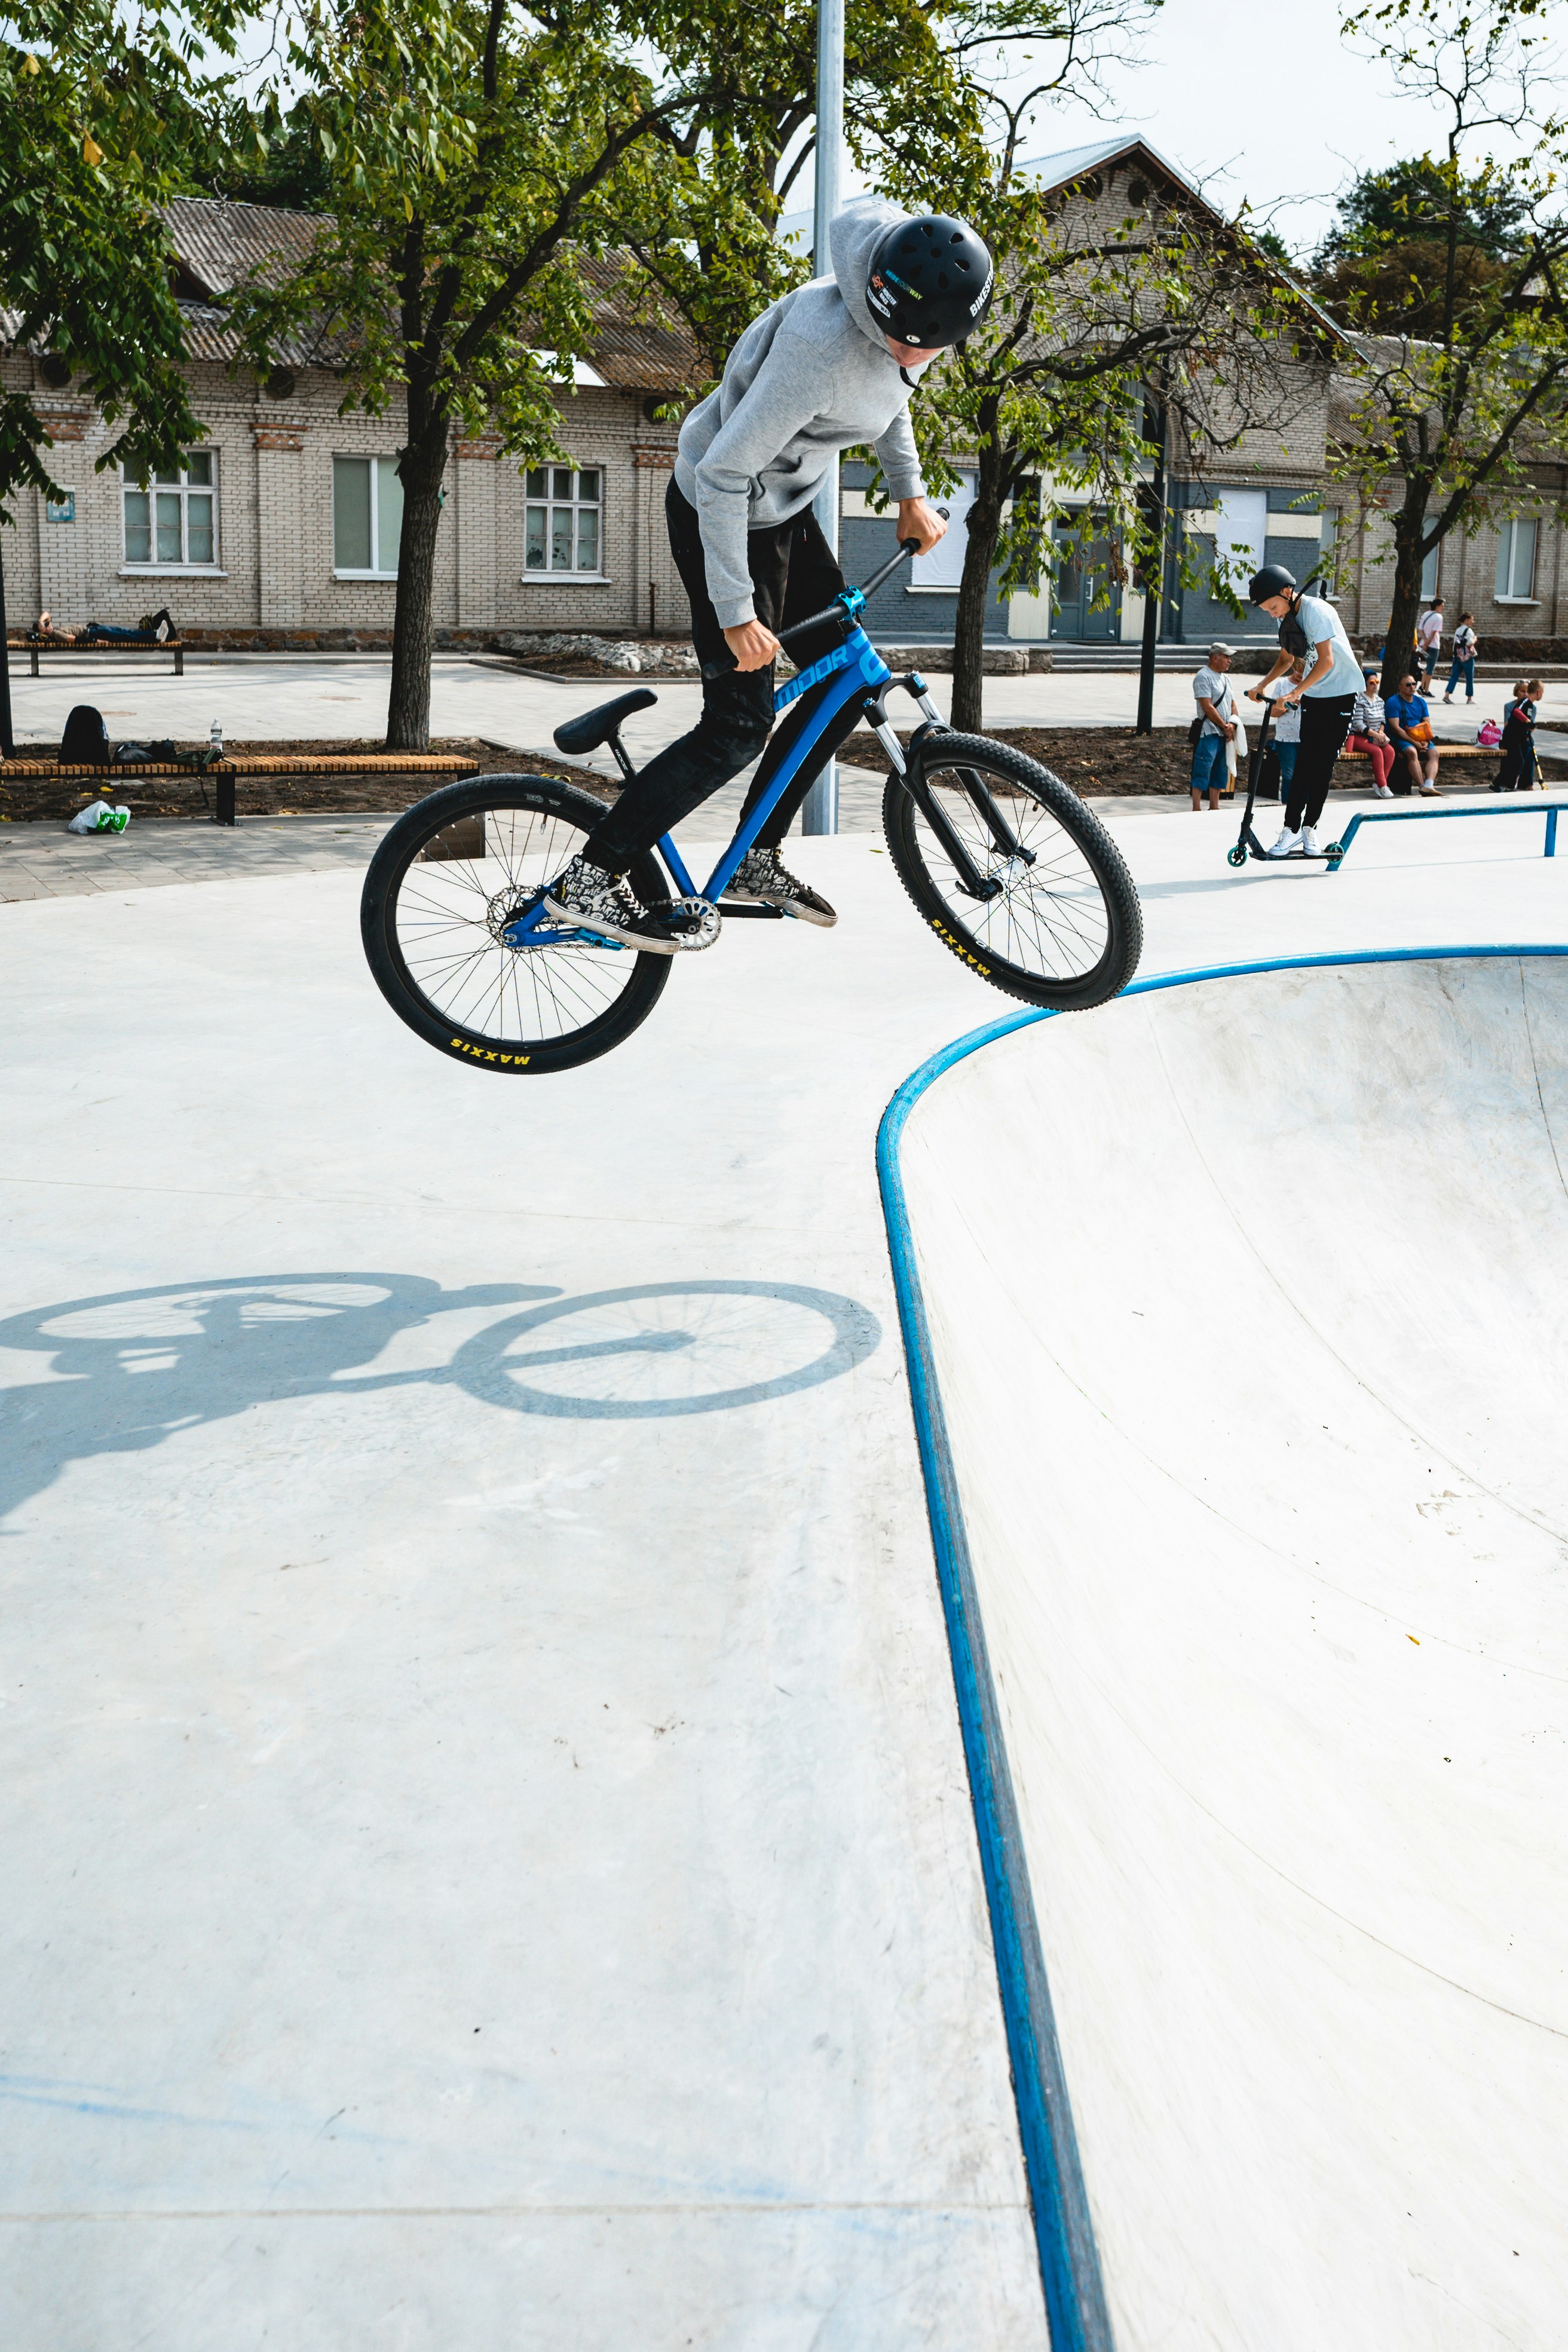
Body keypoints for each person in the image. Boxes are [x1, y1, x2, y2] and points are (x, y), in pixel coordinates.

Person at [541, 201, 993, 951]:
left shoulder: (902, 304)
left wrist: (909, 493)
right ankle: (589, 877)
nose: (921, 362)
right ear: (886, 315)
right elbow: (721, 474)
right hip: (719, 509)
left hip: (782, 511)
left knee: (843, 682)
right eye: (913, 347)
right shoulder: (820, 350)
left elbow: (890, 398)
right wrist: (735, 611)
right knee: (737, 727)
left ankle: (756, 856)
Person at [1244, 563, 1365, 856]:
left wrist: (1296, 692)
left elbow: (1326, 661)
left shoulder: (1317, 612)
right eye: (1268, 611)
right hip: (1316, 693)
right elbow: (1287, 658)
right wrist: (1263, 685)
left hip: (1341, 693)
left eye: (1273, 607)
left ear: (1287, 592)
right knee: (1303, 763)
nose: (1273, 614)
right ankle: (1290, 830)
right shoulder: (1285, 616)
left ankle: (1310, 830)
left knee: (1322, 766)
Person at [1190, 641, 1236, 810]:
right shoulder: (1203, 676)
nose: (1230, 661)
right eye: (1227, 657)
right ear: (1216, 657)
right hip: (1209, 731)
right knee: (1203, 767)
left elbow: (1232, 704)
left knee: (1220, 769)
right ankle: (1196, 806)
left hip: (1224, 733)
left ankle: (1214, 806)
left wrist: (1233, 724)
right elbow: (1207, 706)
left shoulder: (1227, 679)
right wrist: (1225, 725)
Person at [1383, 671, 1441, 794]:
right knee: (1412, 752)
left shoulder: (1421, 702)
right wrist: (1415, 743)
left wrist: (1425, 741)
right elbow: (1396, 729)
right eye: (1408, 685)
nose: (1412, 687)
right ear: (1400, 687)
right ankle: (1422, 786)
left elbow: (1427, 724)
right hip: (1402, 738)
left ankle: (1429, 784)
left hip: (1421, 738)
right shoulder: (1393, 702)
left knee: (1434, 754)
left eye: (1414, 684)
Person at [1260, 657, 1305, 801]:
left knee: (1306, 774)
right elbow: (1272, 712)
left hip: (1306, 736)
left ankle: (1304, 806)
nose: (1301, 676)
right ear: (1294, 668)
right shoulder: (1283, 684)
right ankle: (1287, 805)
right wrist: (1288, 703)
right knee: (1289, 775)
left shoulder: (1311, 684)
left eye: (1305, 673)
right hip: (1286, 737)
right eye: (1299, 671)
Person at [1348, 666, 1396, 795]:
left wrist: (1381, 733)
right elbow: (1358, 724)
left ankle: (1380, 783)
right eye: (1371, 683)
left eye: (1377, 682)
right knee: (1377, 752)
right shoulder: (1360, 700)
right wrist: (1374, 734)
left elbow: (1383, 720)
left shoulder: (1380, 701)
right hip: (1360, 736)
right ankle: (1383, 785)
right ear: (1365, 684)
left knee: (1390, 751)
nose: (1375, 685)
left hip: (1376, 736)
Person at [1493, 678, 1543, 791]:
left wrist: (1530, 727)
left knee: (1519, 760)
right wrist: (1527, 722)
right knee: (1518, 762)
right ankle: (1509, 786)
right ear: (1538, 692)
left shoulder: (1531, 705)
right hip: (1512, 737)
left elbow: (1527, 724)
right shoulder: (1526, 702)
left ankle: (1500, 784)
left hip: (1519, 738)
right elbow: (1517, 712)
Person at [1442, 612, 1478, 704]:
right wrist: (1475, 640)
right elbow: (1469, 643)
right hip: (1467, 658)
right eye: (1472, 619)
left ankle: (1447, 695)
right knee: (1469, 678)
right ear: (1467, 620)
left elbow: (1456, 643)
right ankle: (1469, 698)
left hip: (1458, 656)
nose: (1473, 621)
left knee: (1454, 676)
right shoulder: (1469, 631)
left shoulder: (1458, 630)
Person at [1416, 596, 1444, 685]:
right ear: (1437, 606)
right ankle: (1426, 689)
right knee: (1431, 668)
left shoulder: (1426, 614)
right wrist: (1427, 643)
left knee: (1427, 667)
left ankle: (1422, 686)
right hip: (1434, 645)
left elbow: (1420, 629)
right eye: (1442, 606)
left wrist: (1424, 641)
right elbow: (1434, 632)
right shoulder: (1439, 617)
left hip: (1424, 644)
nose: (1443, 608)